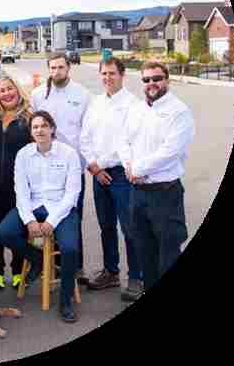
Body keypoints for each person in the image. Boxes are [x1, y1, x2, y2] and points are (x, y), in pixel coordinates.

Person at [117, 61, 194, 296]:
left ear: (167, 80)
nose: (151, 83)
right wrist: (129, 165)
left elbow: (171, 151)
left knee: (168, 253)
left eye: (157, 78)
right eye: (146, 79)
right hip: (138, 193)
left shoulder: (179, 112)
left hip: (165, 194)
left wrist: (138, 169)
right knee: (144, 252)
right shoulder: (136, 110)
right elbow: (122, 140)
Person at [0, 111, 82, 323]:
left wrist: (52, 220)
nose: (40, 130)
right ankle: (38, 259)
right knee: (4, 232)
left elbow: (72, 193)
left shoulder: (69, 154)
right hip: (33, 206)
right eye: (35, 127)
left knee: (70, 249)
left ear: (52, 129)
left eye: (44, 125)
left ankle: (65, 301)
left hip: (61, 208)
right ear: (31, 132)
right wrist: (29, 220)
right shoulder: (23, 154)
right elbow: (21, 191)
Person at [79, 57, 142, 301]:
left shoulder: (133, 105)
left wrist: (125, 167)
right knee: (106, 225)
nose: (107, 78)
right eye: (104, 74)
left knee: (130, 227)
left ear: (122, 75)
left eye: (112, 73)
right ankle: (111, 271)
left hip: (122, 175)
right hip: (99, 174)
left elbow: (134, 142)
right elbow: (85, 138)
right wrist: (94, 167)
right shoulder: (95, 103)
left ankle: (136, 276)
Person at [31, 52, 91, 283]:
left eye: (60, 67)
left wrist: (86, 161)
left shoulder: (82, 94)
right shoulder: (38, 94)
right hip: (45, 167)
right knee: (45, 214)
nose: (56, 72)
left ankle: (76, 267)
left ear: (69, 68)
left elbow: (88, 131)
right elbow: (34, 127)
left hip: (72, 166)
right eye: (52, 68)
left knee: (72, 218)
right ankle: (49, 266)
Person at [0, 74, 33, 290]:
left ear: (18, 91)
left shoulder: (29, 119)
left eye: (10, 88)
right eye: (2, 90)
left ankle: (20, 270)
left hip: (18, 187)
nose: (6, 93)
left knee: (17, 230)